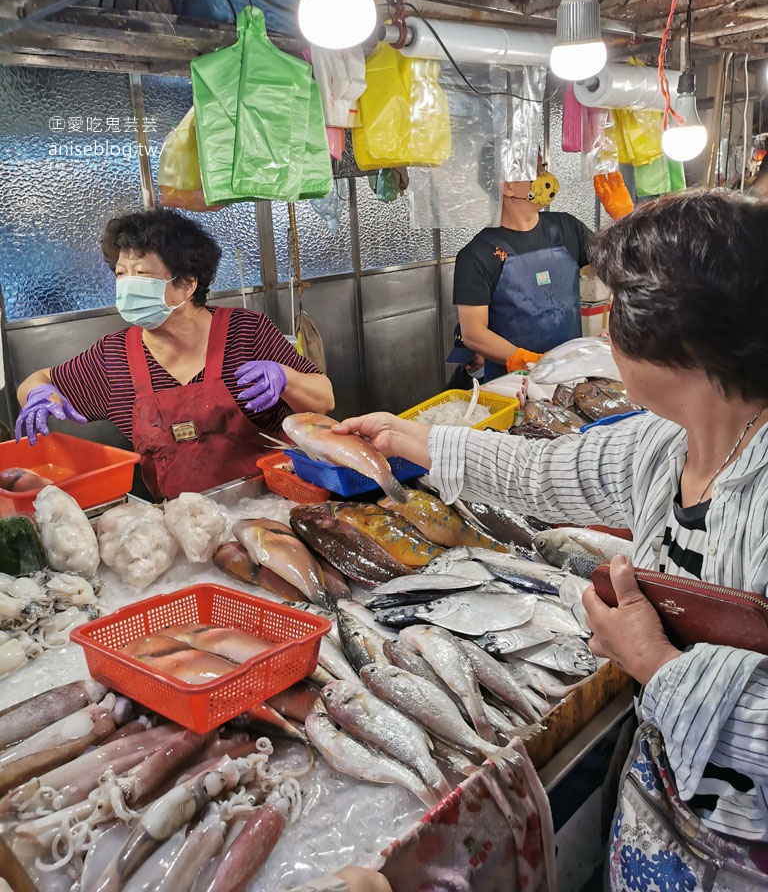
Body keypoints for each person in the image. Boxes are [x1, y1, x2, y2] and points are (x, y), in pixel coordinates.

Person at [334, 189, 768, 889]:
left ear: (685, 338)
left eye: (620, 310)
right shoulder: (665, 441)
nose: (607, 332)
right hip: (664, 794)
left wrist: (653, 660)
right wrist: (410, 439)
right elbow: (541, 471)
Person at [14, 209, 335, 500]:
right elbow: (39, 380)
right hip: (188, 531)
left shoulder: (245, 331)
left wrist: (285, 378)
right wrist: (38, 393)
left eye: (142, 274)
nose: (126, 286)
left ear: (187, 284)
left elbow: (324, 399)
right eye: (121, 273)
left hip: (279, 504)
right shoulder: (113, 358)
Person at [453, 147, 592, 382]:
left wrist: (625, 222)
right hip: (514, 386)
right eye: (535, 171)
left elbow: (615, 268)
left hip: (571, 377)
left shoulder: (567, 227)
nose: (546, 177)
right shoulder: (476, 256)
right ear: (507, 187)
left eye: (543, 168)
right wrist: (530, 361)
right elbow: (473, 334)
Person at [444, 324, 484, 390]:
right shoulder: (461, 373)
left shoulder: (502, 373)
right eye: (462, 359)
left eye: (472, 360)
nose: (467, 367)